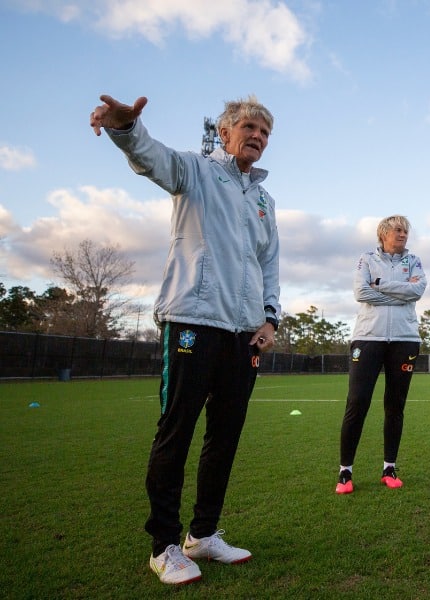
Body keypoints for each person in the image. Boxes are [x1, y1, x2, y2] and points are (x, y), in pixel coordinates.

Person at [91, 94, 280, 583]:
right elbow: (151, 158)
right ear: (224, 132)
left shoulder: (263, 200)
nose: (256, 136)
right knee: (176, 431)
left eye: (264, 132)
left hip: (243, 335)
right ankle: (165, 545)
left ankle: (204, 535)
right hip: (192, 322)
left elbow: (268, 263)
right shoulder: (195, 171)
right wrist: (127, 128)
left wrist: (270, 318)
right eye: (248, 127)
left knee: (225, 435)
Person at [336, 216, 427, 495]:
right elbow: (360, 292)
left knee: (394, 406)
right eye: (398, 230)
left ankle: (389, 468)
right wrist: (400, 294)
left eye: (406, 231)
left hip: (405, 340)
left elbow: (418, 290)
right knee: (357, 402)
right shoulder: (366, 259)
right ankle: (345, 472)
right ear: (384, 234)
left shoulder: (414, 262)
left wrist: (380, 284)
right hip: (368, 338)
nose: (403, 235)